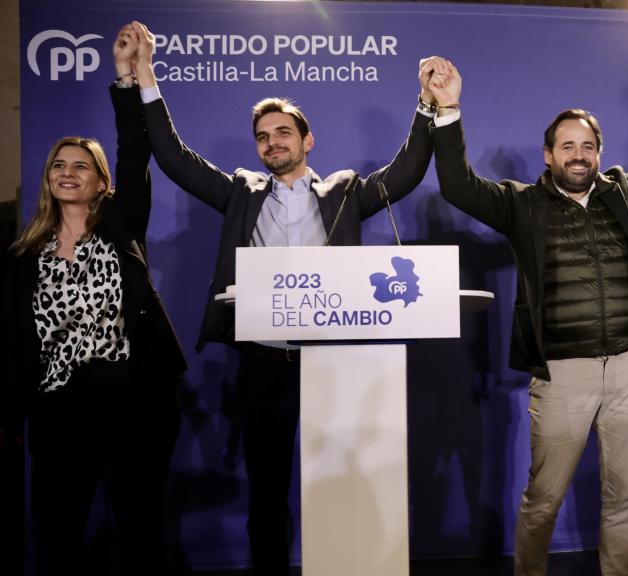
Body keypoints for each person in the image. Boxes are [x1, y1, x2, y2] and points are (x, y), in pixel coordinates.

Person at [120, 20, 439, 574]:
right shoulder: (240, 191)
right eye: (263, 136)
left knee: (342, 489)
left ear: (306, 140)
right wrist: (146, 75)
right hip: (264, 361)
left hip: (335, 362)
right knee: (266, 493)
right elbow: (173, 158)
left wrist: (427, 104)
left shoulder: (344, 191)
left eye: (282, 133)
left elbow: (408, 170)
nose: (272, 142)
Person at [429, 28, 628, 576]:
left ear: (599, 154)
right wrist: (447, 109)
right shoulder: (522, 206)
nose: (578, 156)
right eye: (567, 146)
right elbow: (459, 187)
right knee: (544, 498)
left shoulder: (624, 192)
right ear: (548, 154)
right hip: (562, 374)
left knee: (626, 497)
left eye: (587, 147)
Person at [2, 28, 186, 575]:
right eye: (59, 165)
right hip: (58, 403)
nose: (67, 172)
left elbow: (135, 150)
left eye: (80, 165)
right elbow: (15, 342)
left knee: (138, 521)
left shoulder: (121, 224)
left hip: (131, 393)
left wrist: (129, 76)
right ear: (47, 179)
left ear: (100, 181)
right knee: (59, 527)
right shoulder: (22, 255)